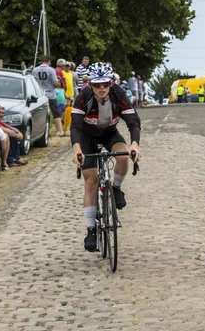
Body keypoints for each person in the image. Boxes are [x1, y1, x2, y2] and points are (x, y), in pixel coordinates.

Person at [71, 63, 141, 252]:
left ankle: (116, 188)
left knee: (124, 156)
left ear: (111, 83)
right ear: (90, 85)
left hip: (109, 133)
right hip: (87, 137)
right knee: (91, 180)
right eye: (96, 85)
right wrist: (77, 149)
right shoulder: (83, 97)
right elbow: (75, 126)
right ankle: (91, 229)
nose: (101, 89)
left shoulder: (119, 95)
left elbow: (133, 122)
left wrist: (135, 144)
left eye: (105, 84)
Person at [32, 55, 65, 137]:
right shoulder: (51, 70)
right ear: (49, 61)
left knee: (40, 114)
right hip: (50, 94)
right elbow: (55, 82)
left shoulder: (35, 70)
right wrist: (57, 84)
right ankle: (59, 131)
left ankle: (40, 131)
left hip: (39, 94)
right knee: (56, 113)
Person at [62, 62, 75, 135]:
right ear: (64, 66)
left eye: (68, 66)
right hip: (65, 94)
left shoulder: (70, 74)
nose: (67, 67)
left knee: (70, 111)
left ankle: (67, 126)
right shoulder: (62, 73)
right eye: (66, 66)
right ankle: (64, 127)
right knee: (65, 111)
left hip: (71, 94)